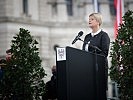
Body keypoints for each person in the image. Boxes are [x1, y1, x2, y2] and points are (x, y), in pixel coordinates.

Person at [82, 13, 110, 98]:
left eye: (92, 19)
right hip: (87, 69)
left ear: (98, 22)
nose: (89, 20)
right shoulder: (87, 37)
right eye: (89, 19)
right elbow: (83, 52)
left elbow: (104, 53)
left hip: (98, 68)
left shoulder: (104, 35)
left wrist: (92, 61)